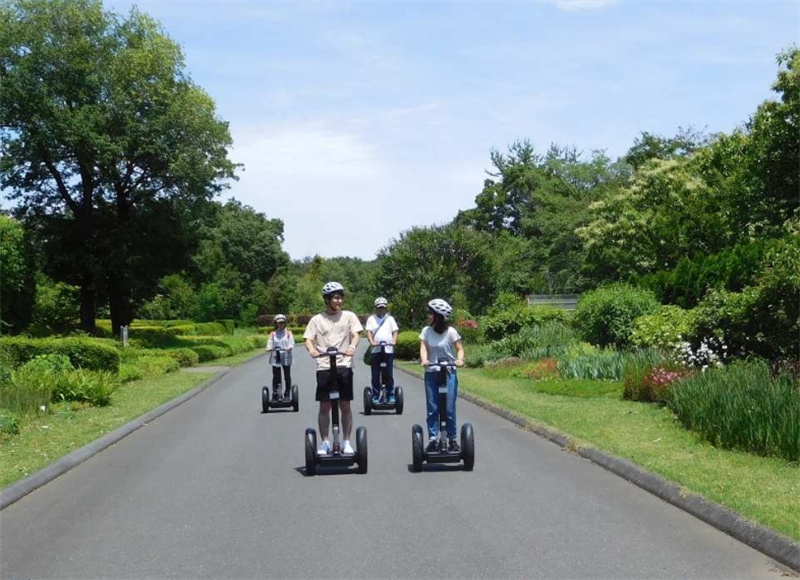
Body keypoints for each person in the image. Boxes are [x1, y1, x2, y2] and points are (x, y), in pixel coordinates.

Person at [304, 282, 363, 456]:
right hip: (324, 366)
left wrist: (352, 346)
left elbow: (356, 334)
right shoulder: (317, 319)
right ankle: (325, 443)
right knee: (325, 405)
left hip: (344, 364)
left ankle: (346, 441)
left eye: (341, 297)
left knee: (345, 404)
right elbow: (308, 338)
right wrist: (312, 350)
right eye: (336, 297)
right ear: (327, 299)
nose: (339, 301)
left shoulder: (349, 316)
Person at [419, 298, 465, 453]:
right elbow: (424, 347)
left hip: (449, 372)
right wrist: (425, 360)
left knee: (449, 408)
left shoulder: (451, 332)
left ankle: (452, 439)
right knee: (433, 408)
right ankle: (433, 439)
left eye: (430, 313)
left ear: (437, 316)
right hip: (432, 373)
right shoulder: (426, 331)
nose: (428, 316)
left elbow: (459, 349)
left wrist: (459, 359)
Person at [365, 296, 399, 404]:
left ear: (386, 308)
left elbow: (395, 331)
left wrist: (394, 341)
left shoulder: (390, 319)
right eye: (379, 308)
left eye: (383, 307)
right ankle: (375, 395)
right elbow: (369, 332)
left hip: (388, 350)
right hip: (376, 350)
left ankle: (390, 394)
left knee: (388, 374)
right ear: (376, 308)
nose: (381, 309)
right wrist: (371, 342)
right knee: (375, 375)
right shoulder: (371, 319)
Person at [266, 314, 294, 400]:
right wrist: (269, 347)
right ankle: (275, 394)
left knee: (287, 376)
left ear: (285, 323)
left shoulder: (288, 333)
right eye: (279, 323)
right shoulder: (273, 334)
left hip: (286, 356)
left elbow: (291, 343)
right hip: (275, 357)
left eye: (282, 323)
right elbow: (270, 343)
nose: (281, 324)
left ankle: (287, 394)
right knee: (276, 376)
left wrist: (289, 347)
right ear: (276, 324)